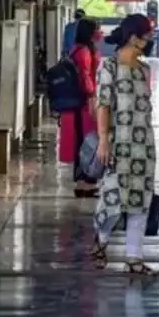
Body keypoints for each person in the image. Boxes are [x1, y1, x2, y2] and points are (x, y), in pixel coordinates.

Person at [90, 14, 157, 276]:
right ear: (133, 38)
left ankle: (134, 258)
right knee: (112, 199)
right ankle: (101, 240)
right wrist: (103, 140)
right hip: (119, 145)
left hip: (144, 147)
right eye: (146, 35)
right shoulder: (108, 67)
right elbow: (103, 105)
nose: (149, 40)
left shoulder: (144, 70)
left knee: (141, 202)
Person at [60, 17, 100, 198]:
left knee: (83, 141)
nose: (100, 33)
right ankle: (84, 182)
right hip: (84, 103)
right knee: (87, 142)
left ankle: (84, 181)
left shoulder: (77, 48)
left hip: (80, 102)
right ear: (90, 33)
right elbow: (85, 76)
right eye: (97, 29)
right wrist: (92, 97)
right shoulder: (84, 51)